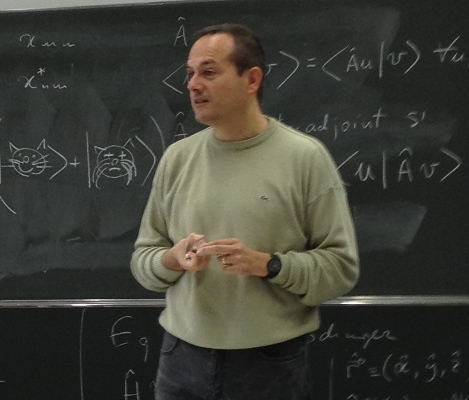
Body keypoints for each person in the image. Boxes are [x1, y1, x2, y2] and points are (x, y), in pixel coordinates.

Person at [130, 23, 359, 400]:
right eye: (190, 74)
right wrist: (171, 260)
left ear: (251, 79)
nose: (193, 85)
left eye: (208, 72)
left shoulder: (305, 158)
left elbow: (340, 268)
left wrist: (270, 265)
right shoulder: (177, 158)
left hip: (269, 363)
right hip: (181, 357)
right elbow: (143, 258)